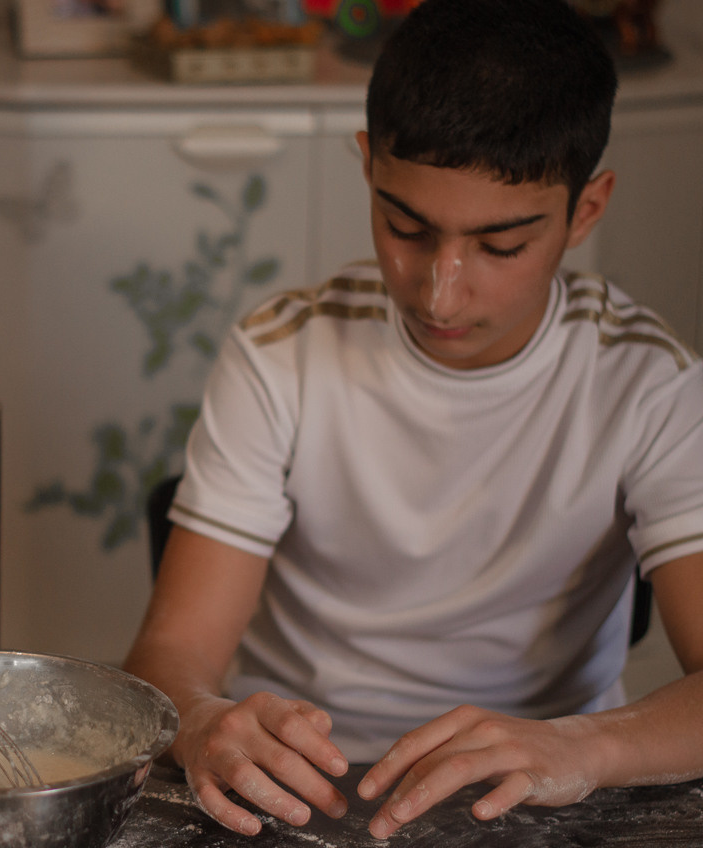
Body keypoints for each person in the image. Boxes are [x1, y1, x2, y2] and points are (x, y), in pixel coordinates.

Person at [124, 0, 703, 840]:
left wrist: (581, 746)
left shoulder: (649, 384)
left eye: (500, 247)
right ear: (367, 165)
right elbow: (169, 659)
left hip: (544, 794)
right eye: (406, 227)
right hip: (303, 791)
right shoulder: (282, 354)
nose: (441, 292)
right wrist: (206, 722)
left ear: (586, 210)